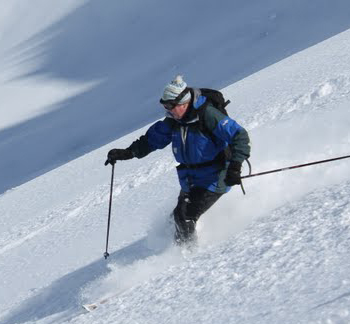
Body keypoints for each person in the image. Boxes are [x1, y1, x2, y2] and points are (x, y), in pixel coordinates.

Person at [105, 75, 251, 244]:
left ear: (184, 102)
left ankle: (187, 259)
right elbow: (151, 140)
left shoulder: (208, 115)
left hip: (215, 175)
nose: (168, 110)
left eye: (170, 106)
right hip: (191, 179)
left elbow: (240, 136)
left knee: (184, 217)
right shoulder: (174, 121)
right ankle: (172, 251)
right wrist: (126, 153)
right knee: (173, 221)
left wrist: (235, 167)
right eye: (164, 106)